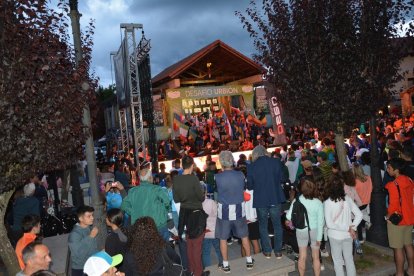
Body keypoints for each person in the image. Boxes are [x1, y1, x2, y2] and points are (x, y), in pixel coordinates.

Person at [215, 151, 254, 273]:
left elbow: (217, 193)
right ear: (232, 160)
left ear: (222, 162)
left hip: (224, 210)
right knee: (244, 236)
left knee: (223, 238)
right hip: (239, 209)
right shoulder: (240, 175)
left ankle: (226, 264)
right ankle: (249, 260)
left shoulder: (218, 177)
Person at [247, 145, 286, 259]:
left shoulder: (252, 166)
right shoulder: (276, 162)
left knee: (263, 226)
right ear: (265, 152)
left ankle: (267, 251)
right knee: (277, 225)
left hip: (261, 200)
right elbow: (282, 178)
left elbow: (250, 185)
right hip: (275, 197)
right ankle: (278, 251)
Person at [173, 155, 207, 276]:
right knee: (197, 245)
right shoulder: (193, 179)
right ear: (192, 165)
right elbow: (201, 197)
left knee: (189, 244)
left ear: (182, 166)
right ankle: (198, 273)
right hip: (196, 214)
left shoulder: (176, 179)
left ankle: (192, 270)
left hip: (184, 215)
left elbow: (176, 199)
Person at [121, 162, 171, 241]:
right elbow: (167, 202)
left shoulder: (133, 191)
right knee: (163, 249)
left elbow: (124, 205)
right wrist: (163, 212)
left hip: (139, 226)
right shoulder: (157, 189)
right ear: (150, 178)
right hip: (158, 224)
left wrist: (133, 212)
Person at [324, 175, 363, 276]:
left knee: (338, 262)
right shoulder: (347, 199)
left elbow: (329, 224)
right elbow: (359, 214)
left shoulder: (327, 203)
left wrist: (348, 228)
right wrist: (352, 227)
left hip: (335, 236)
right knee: (349, 260)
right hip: (348, 235)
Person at [385, 158, 414, 276]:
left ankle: (400, 273)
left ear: (396, 170)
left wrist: (388, 217)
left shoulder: (393, 185)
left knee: (398, 248)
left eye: (389, 168)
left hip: (398, 220)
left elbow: (393, 205)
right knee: (408, 244)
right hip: (410, 217)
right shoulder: (410, 180)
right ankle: (412, 270)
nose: (387, 170)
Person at [68, 205, 98, 276]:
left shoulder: (88, 228)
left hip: (91, 265)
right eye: (89, 216)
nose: (92, 218)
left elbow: (92, 247)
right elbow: (79, 255)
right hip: (81, 269)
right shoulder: (74, 234)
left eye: (92, 215)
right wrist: (91, 237)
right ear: (80, 218)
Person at [201, 184, 223, 269]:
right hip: (214, 230)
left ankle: (208, 268)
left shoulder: (196, 203)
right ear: (206, 192)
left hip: (204, 232)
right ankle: (221, 264)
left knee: (206, 252)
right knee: (218, 248)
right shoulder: (211, 202)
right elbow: (217, 214)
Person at [353, 163, 373, 242]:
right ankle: (365, 225)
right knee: (359, 217)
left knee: (357, 218)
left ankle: (360, 238)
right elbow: (371, 189)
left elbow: (354, 195)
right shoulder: (368, 178)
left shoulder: (355, 181)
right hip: (367, 202)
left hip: (359, 203)